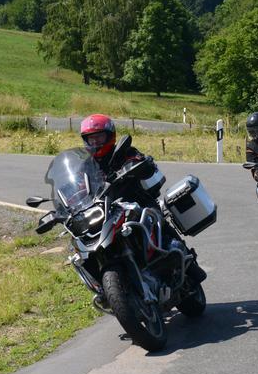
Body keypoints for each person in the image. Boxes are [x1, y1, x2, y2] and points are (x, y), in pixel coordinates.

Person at [79, 114, 206, 282]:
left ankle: (188, 262)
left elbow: (141, 162)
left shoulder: (124, 152)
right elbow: (78, 184)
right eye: (91, 139)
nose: (95, 142)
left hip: (136, 200)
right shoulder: (87, 165)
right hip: (105, 209)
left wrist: (136, 165)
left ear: (110, 136)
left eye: (99, 137)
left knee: (156, 218)